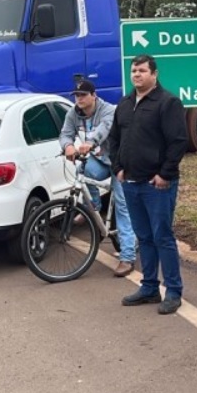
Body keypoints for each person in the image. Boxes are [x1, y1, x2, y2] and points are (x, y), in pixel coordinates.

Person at [108, 54, 189, 316]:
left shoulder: (168, 103)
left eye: (142, 70)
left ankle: (174, 291)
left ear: (154, 74)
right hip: (130, 182)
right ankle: (149, 286)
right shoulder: (125, 103)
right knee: (144, 237)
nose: (137, 75)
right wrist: (118, 168)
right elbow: (114, 139)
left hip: (157, 185)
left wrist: (165, 174)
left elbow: (178, 142)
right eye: (134, 70)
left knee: (162, 236)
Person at [59, 79, 135, 278]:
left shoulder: (108, 110)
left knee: (122, 205)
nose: (79, 99)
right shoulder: (73, 113)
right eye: (76, 95)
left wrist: (90, 143)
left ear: (94, 95)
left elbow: (105, 128)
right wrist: (67, 146)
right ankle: (92, 208)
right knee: (81, 171)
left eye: (83, 95)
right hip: (99, 160)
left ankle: (127, 257)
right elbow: (65, 134)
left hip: (119, 160)